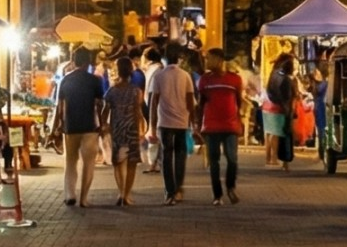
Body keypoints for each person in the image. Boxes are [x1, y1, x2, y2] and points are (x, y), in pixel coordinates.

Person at [53, 48, 110, 208]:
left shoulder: (65, 80)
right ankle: (84, 198)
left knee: (70, 162)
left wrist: (59, 125)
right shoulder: (95, 80)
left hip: (70, 126)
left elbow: (59, 106)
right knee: (88, 164)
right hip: (90, 127)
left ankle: (69, 194)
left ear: (74, 61)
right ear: (87, 62)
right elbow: (100, 104)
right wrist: (102, 123)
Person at [147, 43, 196, 203]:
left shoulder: (159, 76)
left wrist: (152, 127)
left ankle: (169, 192)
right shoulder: (185, 76)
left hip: (164, 122)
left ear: (165, 57)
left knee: (166, 156)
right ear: (179, 57)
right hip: (182, 122)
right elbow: (190, 102)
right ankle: (179, 189)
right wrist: (194, 124)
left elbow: (154, 103)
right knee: (180, 155)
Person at [198, 50, 246, 205]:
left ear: (219, 60)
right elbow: (201, 103)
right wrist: (198, 124)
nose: (207, 62)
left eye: (210, 59)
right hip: (211, 126)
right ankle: (217, 195)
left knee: (232, 159)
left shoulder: (234, 79)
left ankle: (230, 187)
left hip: (230, 125)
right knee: (214, 161)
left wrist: (239, 118)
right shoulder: (205, 80)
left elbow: (238, 101)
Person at [104, 56, 147, 206]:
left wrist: (104, 125)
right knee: (131, 163)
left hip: (117, 128)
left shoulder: (112, 90)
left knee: (118, 162)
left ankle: (121, 192)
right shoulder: (136, 91)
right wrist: (141, 129)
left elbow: (105, 109)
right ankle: (127, 194)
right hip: (131, 128)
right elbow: (138, 112)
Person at [264, 53, 299, 168]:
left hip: (268, 105)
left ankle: (268, 158)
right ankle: (274, 159)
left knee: (270, 133)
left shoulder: (274, 72)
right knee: (277, 133)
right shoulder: (285, 79)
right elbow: (287, 97)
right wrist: (287, 110)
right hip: (278, 107)